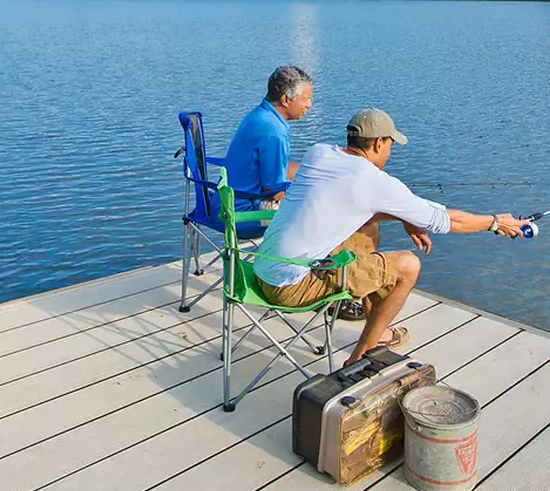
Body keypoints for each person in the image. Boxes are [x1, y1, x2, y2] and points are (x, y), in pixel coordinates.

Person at [253, 108, 528, 364]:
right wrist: (494, 223)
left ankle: (378, 329)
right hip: (290, 288)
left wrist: (406, 216)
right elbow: (447, 221)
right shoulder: (375, 181)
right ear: (377, 144)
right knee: (408, 266)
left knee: (366, 229)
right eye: (390, 145)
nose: (389, 152)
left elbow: (355, 206)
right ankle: (361, 356)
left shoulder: (320, 152)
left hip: (262, 268)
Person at [223, 65, 314, 213]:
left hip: (227, 202)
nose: (309, 105)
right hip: (244, 212)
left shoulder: (260, 115)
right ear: (285, 99)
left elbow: (276, 170)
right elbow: (273, 192)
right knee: (324, 204)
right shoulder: (274, 132)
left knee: (311, 173)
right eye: (305, 99)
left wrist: (314, 170)